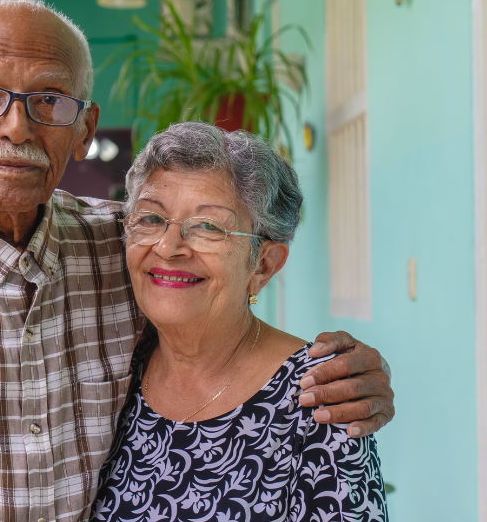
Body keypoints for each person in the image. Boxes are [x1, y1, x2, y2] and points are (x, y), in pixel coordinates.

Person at [0, 0, 393, 522]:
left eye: (51, 101)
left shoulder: (122, 246)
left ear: (85, 129)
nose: (16, 127)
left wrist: (356, 374)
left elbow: (215, 298)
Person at [90, 122, 387, 522]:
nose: (168, 247)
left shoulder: (320, 397)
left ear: (263, 265)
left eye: (208, 227)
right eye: (151, 219)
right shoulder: (116, 370)